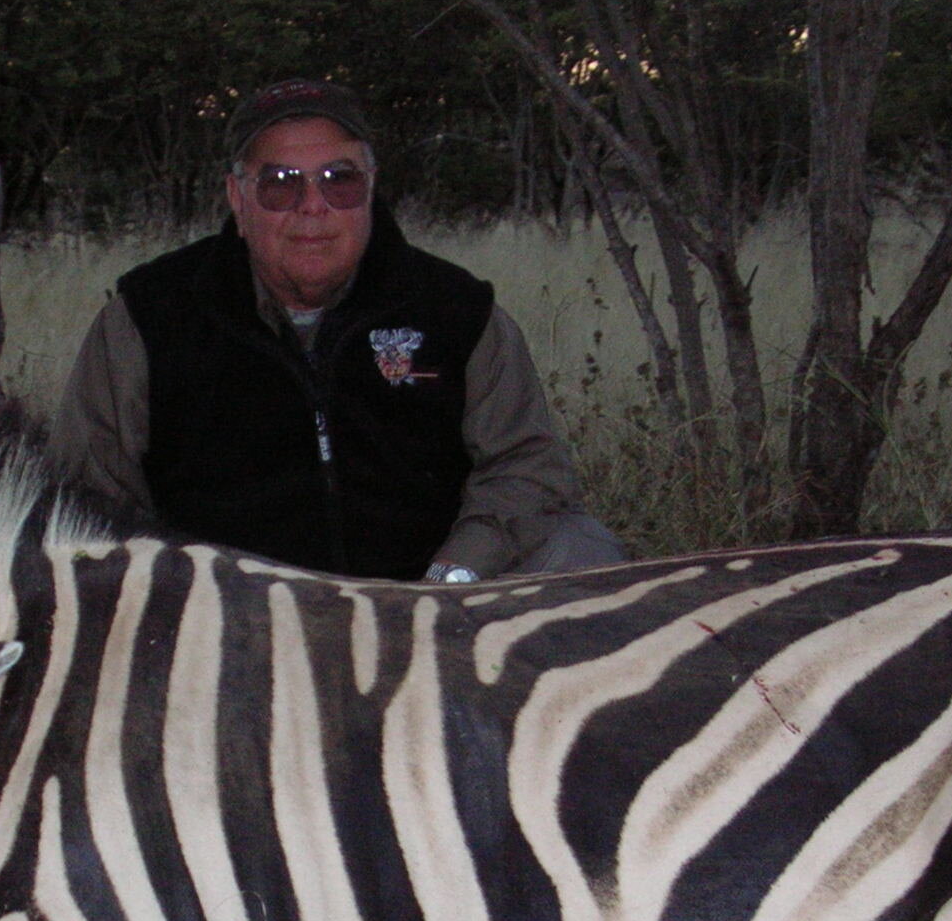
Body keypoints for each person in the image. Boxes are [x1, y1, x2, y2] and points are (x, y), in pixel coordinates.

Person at [51, 79, 625, 583]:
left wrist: (454, 576)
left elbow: (528, 468)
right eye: (280, 183)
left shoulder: (456, 310)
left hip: (429, 610)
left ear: (370, 189)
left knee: (582, 550)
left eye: (339, 180)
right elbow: (86, 493)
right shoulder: (150, 317)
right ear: (238, 199)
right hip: (232, 622)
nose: (312, 206)